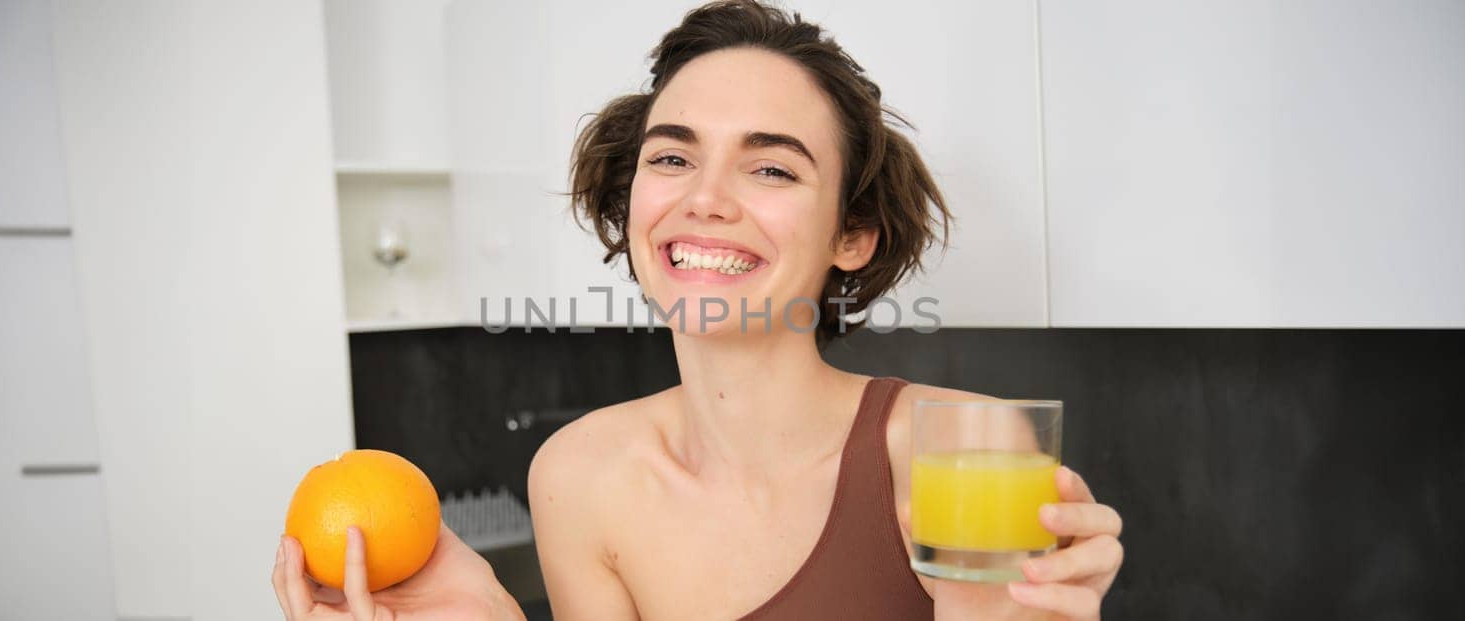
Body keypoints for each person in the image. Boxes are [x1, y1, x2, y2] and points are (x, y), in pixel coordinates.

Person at [274, 1, 1122, 619]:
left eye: (772, 169)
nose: (706, 199)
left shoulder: (959, 454)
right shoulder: (578, 475)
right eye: (673, 155)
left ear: (852, 234)